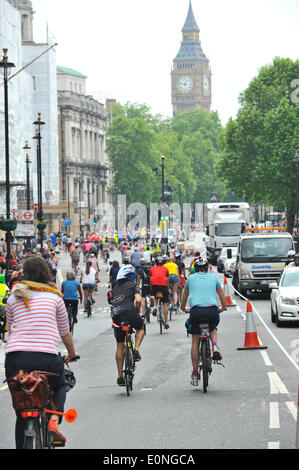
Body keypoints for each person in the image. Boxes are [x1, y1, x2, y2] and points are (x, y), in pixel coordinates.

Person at [4, 255, 78, 448]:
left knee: (22, 411)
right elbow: (65, 333)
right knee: (61, 385)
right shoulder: (55, 298)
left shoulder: (13, 298)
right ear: (46, 273)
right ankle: (54, 419)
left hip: (15, 359)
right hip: (47, 358)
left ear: (24, 274)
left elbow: (12, 331)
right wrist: (71, 353)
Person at [180, 258, 227, 386]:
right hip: (212, 310)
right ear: (207, 269)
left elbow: (184, 297)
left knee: (195, 340)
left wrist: (182, 308)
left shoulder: (190, 279)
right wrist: (223, 307)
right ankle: (215, 345)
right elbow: (222, 294)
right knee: (212, 327)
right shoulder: (213, 278)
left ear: (195, 269)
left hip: (195, 311)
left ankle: (195, 373)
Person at [111, 265, 144, 386]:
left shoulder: (115, 288)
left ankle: (120, 375)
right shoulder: (133, 285)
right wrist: (137, 311)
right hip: (130, 312)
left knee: (119, 345)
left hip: (116, 316)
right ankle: (136, 349)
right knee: (140, 328)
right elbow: (139, 300)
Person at [149, 256, 170, 329]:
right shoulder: (165, 269)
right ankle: (166, 322)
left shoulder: (152, 268)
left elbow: (151, 277)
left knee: (155, 296)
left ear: (155, 262)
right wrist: (168, 288)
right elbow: (167, 278)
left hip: (155, 286)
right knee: (165, 304)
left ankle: (155, 307)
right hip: (163, 286)